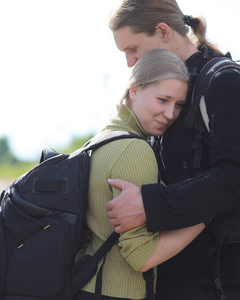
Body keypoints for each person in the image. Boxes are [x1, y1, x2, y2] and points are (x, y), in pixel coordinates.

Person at [104, 1, 240, 299]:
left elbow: (238, 178)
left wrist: (150, 205)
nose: (129, 62)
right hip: (167, 273)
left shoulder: (225, 82)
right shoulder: (166, 86)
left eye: (133, 48)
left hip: (216, 280)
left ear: (163, 32)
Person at [75, 48, 205, 300]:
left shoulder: (103, 137)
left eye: (178, 105)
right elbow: (141, 256)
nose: (170, 115)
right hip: (116, 293)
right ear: (134, 90)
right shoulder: (134, 150)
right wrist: (206, 215)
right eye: (163, 100)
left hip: (88, 286)